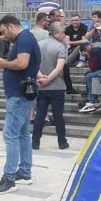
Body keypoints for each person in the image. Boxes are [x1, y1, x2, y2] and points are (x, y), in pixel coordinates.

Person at [0, 15, 41, 195]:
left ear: (11, 26)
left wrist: (3, 63)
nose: (4, 35)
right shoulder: (25, 38)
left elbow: (22, 63)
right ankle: (25, 172)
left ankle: (9, 178)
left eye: (4, 31)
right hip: (22, 94)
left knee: (10, 134)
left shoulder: (24, 38)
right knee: (22, 134)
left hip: (19, 96)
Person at [32, 22, 68, 150]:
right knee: (58, 116)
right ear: (56, 33)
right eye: (62, 32)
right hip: (57, 86)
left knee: (40, 115)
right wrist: (48, 79)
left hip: (41, 86)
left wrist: (41, 77)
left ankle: (35, 142)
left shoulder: (39, 44)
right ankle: (62, 142)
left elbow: (33, 64)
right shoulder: (60, 47)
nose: (64, 35)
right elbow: (59, 67)